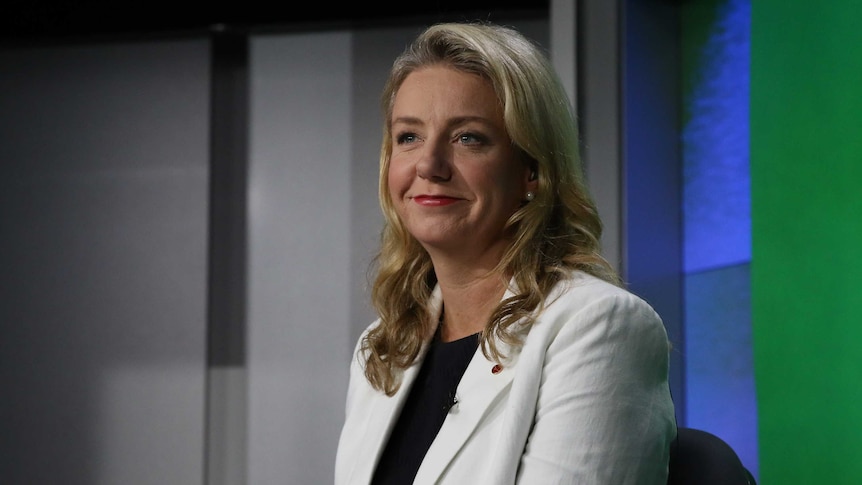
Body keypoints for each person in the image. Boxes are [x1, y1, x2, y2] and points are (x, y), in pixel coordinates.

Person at [335, 21, 676, 485]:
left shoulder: (600, 327)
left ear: (532, 170)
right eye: (408, 137)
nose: (429, 166)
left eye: (468, 138)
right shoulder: (382, 345)